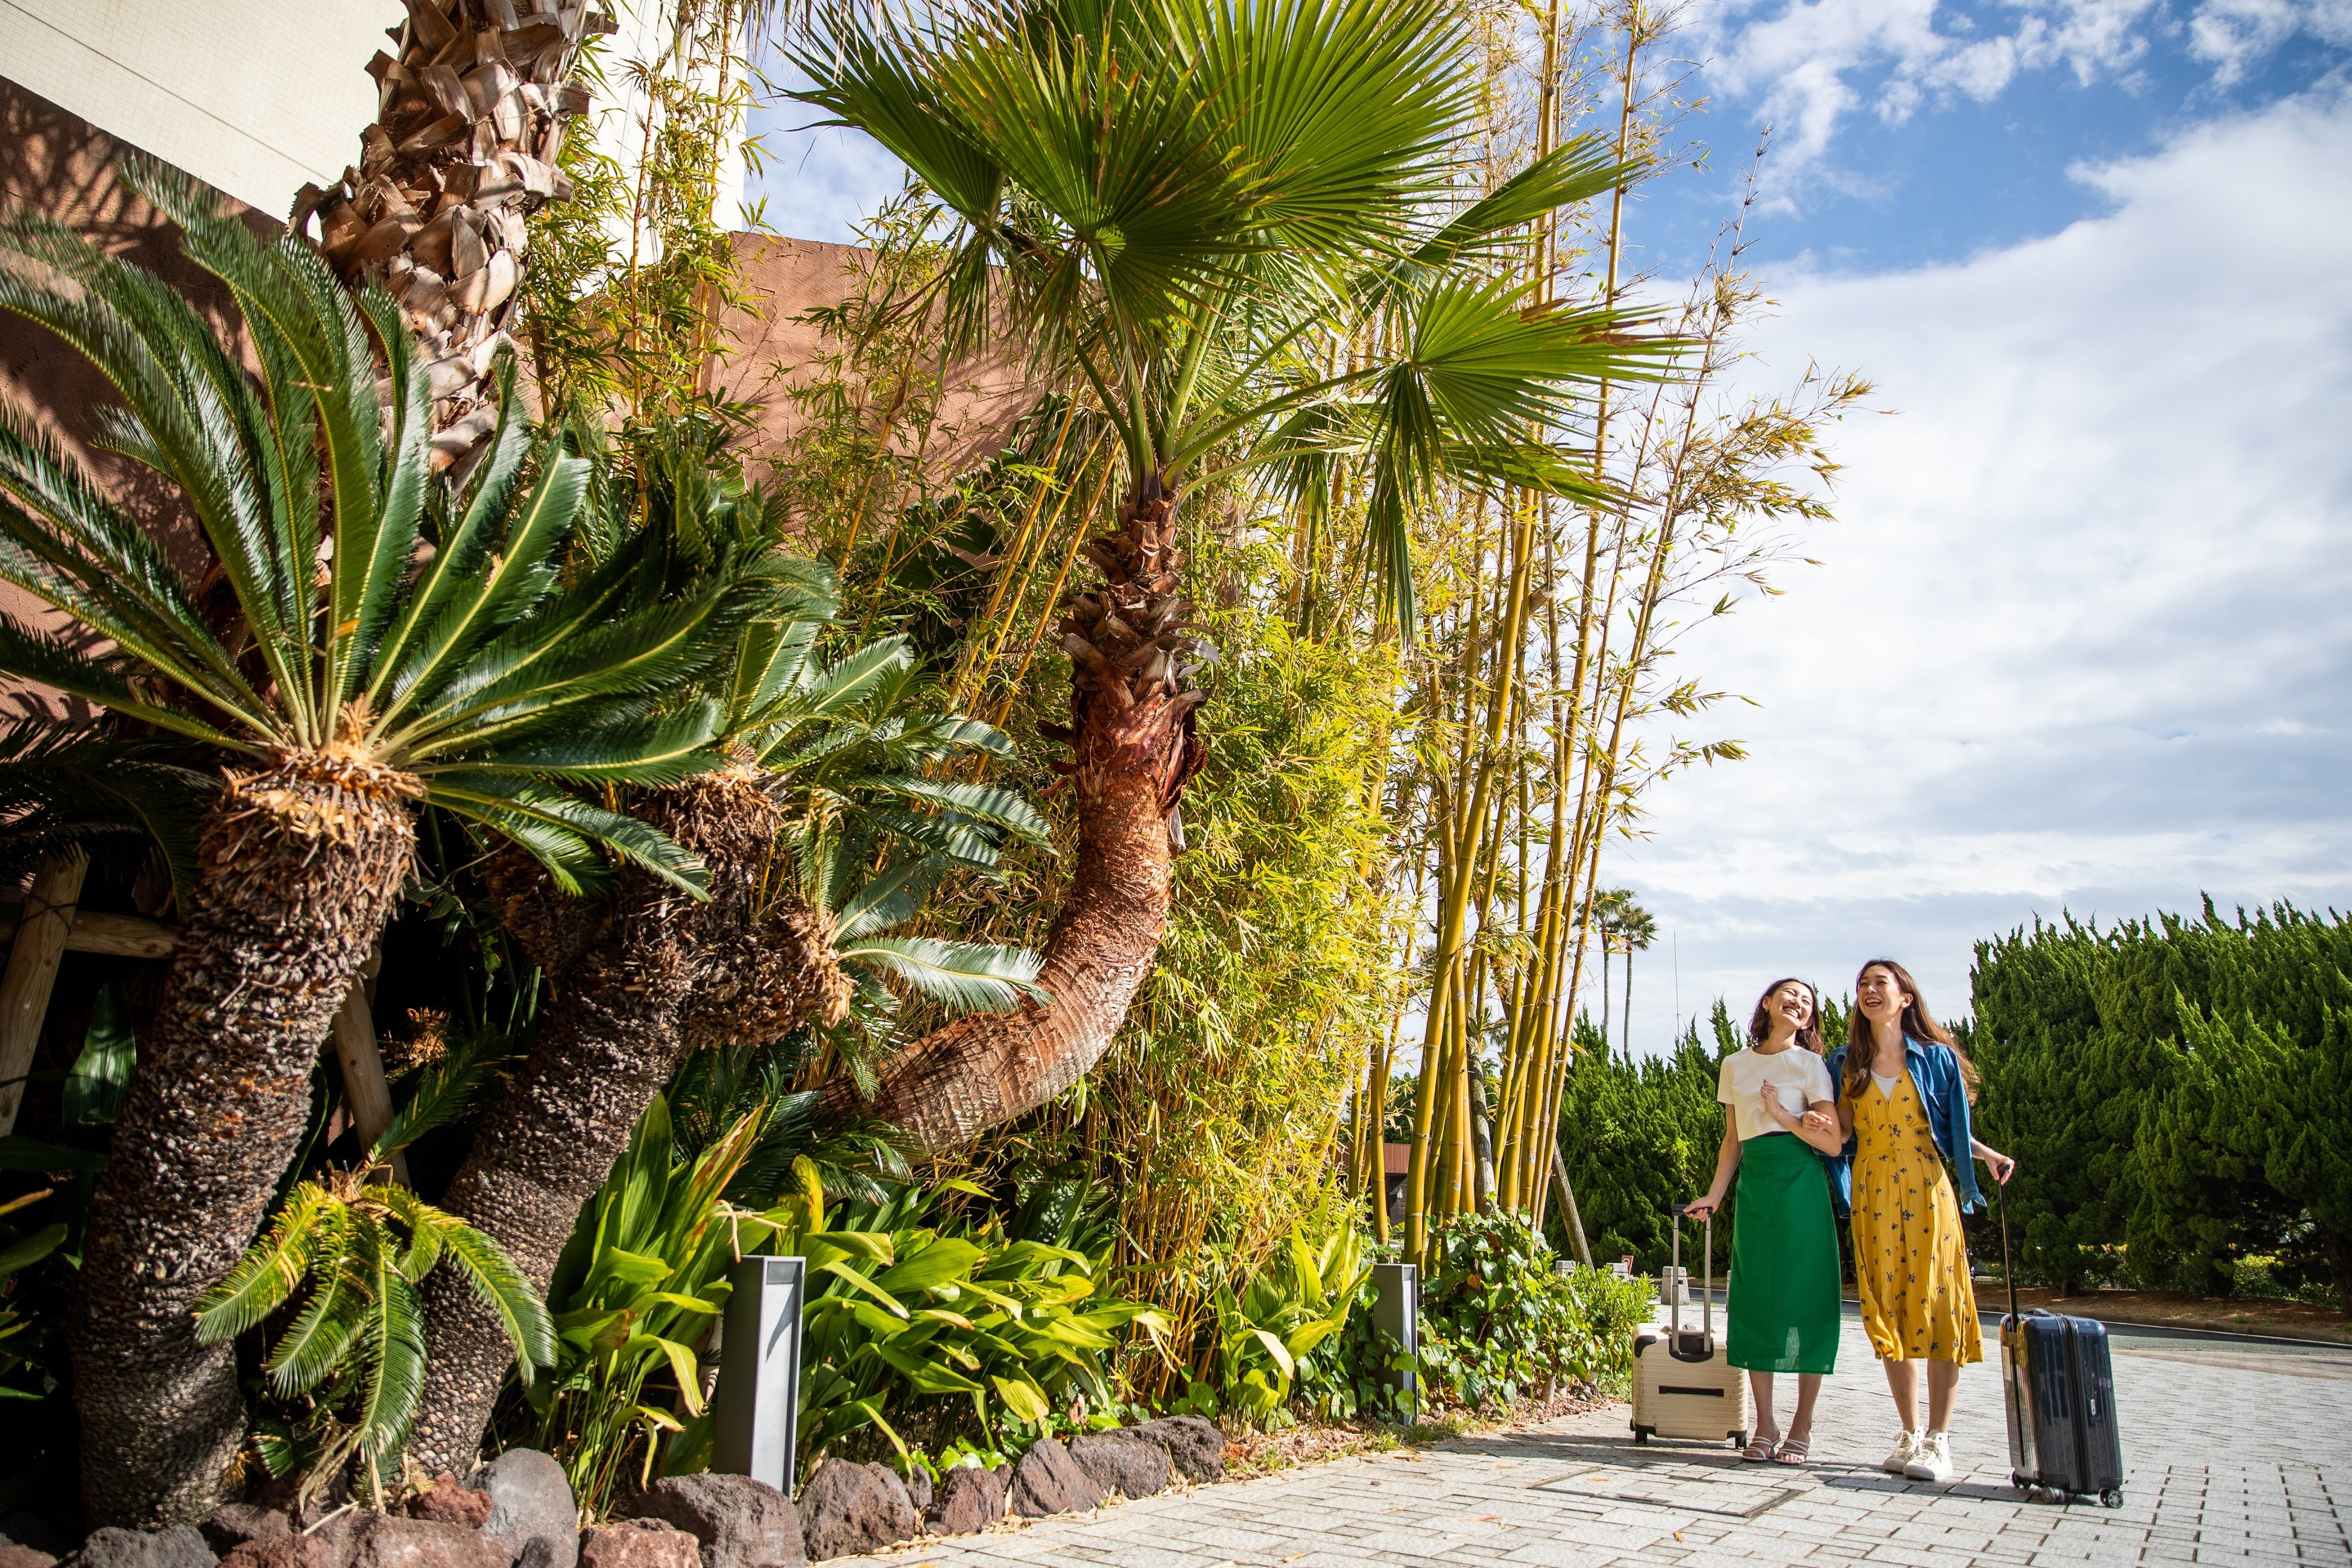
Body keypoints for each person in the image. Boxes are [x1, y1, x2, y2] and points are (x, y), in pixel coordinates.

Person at [1829, 958, 2017, 1484]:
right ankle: (1909, 1433)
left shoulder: (1936, 1059)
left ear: (1905, 998)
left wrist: (1986, 1157)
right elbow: (1842, 1133)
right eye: (1862, 984)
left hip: (1926, 1187)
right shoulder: (1845, 1063)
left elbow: (1951, 1129)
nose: (1868, 990)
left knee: (1938, 1306)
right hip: (1872, 1191)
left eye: (1879, 983)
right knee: (1887, 1309)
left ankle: (1939, 1439)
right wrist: (1796, 1120)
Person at [1686, 978, 1845, 1465]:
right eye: (1790, 995)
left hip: (1801, 1185)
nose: (1798, 1003)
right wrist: (1714, 1195)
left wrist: (1788, 1116)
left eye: (1807, 1000)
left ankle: (1802, 1425)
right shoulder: (1735, 1064)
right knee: (1755, 1300)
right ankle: (1766, 1424)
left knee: (1806, 1297)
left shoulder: (1811, 1064)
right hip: (1757, 1187)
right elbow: (1733, 1139)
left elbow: (1833, 1143)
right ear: (1769, 1004)